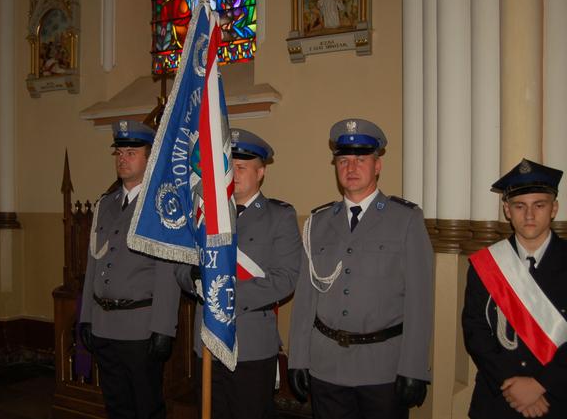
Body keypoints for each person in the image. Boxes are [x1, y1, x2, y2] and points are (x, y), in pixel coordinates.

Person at [288, 118, 433, 419]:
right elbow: (305, 300)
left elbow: (419, 301)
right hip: (326, 365)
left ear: (377, 165)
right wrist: (298, 359)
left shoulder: (406, 219)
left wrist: (414, 368)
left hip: (382, 368)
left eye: (361, 159)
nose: (351, 167)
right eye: (343, 160)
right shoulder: (318, 223)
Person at [178, 128, 302, 419]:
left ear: (261, 172)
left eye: (242, 167)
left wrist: (222, 294)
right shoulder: (204, 214)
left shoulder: (279, 216)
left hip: (251, 346)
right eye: (229, 166)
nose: (233, 174)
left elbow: (285, 278)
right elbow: (179, 266)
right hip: (207, 341)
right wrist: (193, 279)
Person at [78, 119, 182, 419]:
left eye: (131, 153)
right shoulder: (105, 204)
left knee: (147, 407)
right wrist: (86, 317)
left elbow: (167, 271)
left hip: (140, 328)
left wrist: (164, 328)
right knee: (116, 407)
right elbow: (94, 262)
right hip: (104, 325)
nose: (122, 158)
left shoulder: (161, 205)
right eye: (119, 152)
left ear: (149, 159)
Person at [462, 158, 567, 419]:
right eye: (519, 206)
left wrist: (540, 385)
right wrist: (514, 387)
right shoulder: (486, 264)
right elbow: (475, 332)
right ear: (507, 210)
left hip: (558, 399)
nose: (529, 215)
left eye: (539, 205)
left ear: (554, 208)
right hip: (498, 399)